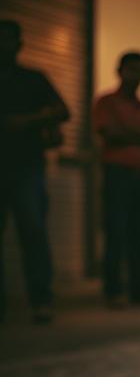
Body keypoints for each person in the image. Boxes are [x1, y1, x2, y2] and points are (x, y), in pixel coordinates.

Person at [0, 19, 70, 325]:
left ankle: (41, 299)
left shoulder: (31, 79)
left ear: (18, 43)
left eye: (9, 39)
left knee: (33, 230)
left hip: (27, 165)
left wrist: (26, 121)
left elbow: (62, 110)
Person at [92, 51, 140, 307]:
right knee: (115, 230)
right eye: (132, 70)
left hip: (139, 175)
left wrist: (127, 132)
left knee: (138, 231)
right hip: (116, 173)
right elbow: (108, 134)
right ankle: (112, 291)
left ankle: (138, 290)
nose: (137, 76)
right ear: (120, 70)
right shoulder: (106, 102)